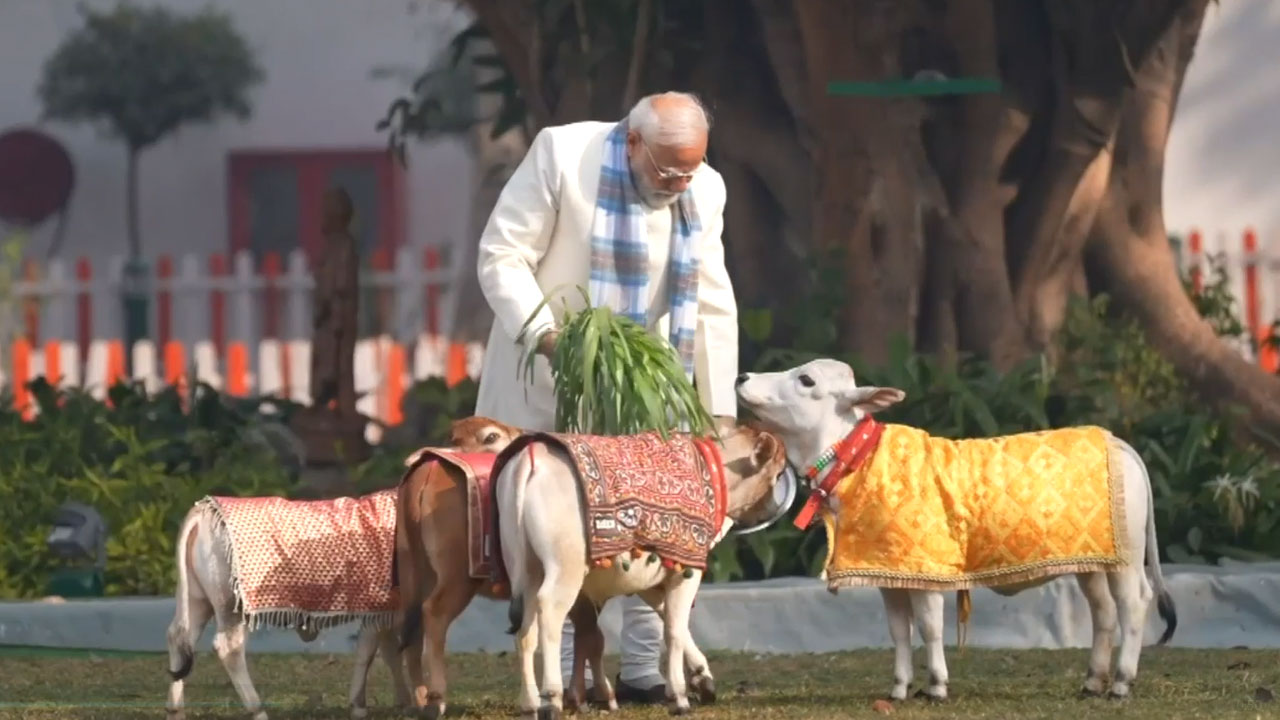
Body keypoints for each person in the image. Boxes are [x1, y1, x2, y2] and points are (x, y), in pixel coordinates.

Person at [473, 91, 738, 702]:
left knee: (663, 523)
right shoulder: (563, 154)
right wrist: (547, 336)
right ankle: (562, 676)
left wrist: (716, 407)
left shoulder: (707, 187)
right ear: (634, 141)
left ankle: (646, 670)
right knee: (555, 530)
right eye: (666, 168)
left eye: (689, 169)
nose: (677, 182)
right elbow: (502, 255)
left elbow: (713, 301)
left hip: (653, 388)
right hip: (552, 379)